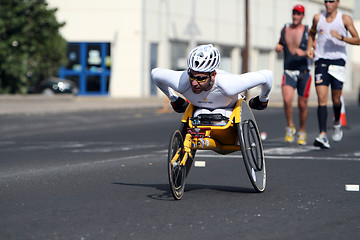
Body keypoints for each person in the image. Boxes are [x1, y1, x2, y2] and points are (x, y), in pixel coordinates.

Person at [151, 44, 273, 120]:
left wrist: (262, 100)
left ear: (213, 75)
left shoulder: (229, 85)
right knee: (199, 113)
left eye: (200, 78)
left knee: (219, 117)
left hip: (228, 110)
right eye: (192, 76)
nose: (194, 83)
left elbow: (267, 76)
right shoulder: (182, 81)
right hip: (199, 110)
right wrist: (174, 99)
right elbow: (155, 74)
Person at [306, 0, 360, 149]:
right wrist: (310, 47)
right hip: (321, 61)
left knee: (336, 100)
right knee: (321, 99)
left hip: (338, 62)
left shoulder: (345, 19)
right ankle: (322, 134)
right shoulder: (318, 18)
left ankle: (337, 121)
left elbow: (358, 40)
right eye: (326, 1)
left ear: (337, 2)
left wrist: (341, 38)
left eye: (331, 1)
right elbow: (312, 32)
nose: (328, 4)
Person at [275, 4, 312, 145]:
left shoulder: (308, 31)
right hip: (289, 71)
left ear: (303, 16)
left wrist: (305, 53)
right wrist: (278, 47)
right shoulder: (285, 29)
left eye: (299, 13)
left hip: (304, 72)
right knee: (287, 100)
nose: (296, 16)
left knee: (302, 104)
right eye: (294, 13)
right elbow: (280, 43)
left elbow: (315, 50)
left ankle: (302, 130)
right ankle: (290, 126)